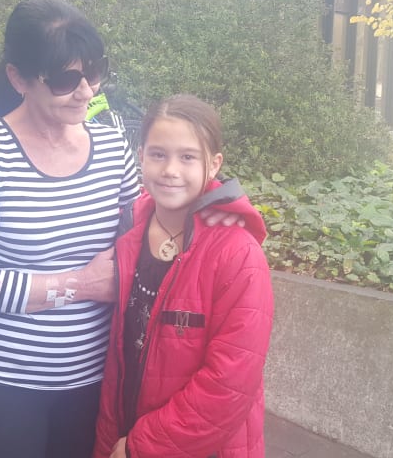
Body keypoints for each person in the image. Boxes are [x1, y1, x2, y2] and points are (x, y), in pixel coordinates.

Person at [0, 0, 140, 458]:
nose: (86, 92)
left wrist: (214, 213)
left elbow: (148, 231)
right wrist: (81, 285)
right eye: (66, 80)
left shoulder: (112, 146)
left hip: (97, 380)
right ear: (19, 79)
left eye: (95, 72)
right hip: (8, 385)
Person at [93, 94, 274, 458]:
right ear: (141, 156)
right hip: (120, 431)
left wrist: (141, 446)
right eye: (158, 154)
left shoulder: (237, 254)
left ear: (214, 164)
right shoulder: (127, 233)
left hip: (192, 446)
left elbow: (229, 384)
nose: (170, 170)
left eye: (188, 157)